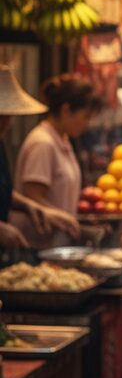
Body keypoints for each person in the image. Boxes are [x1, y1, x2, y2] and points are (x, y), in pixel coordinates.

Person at [12, 74, 98, 248]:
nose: (87, 124)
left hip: (58, 244)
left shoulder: (63, 140)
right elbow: (33, 197)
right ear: (66, 110)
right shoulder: (43, 143)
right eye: (85, 116)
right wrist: (61, 217)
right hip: (36, 247)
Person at [0, 66, 81, 248]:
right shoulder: (43, 142)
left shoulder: (1, 143)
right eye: (2, 116)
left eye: (8, 116)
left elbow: (3, 190)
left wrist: (31, 207)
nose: (7, 123)